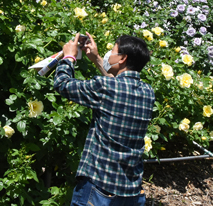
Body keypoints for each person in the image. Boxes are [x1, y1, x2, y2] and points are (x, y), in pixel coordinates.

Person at [53, 32, 155, 206]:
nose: (109, 54)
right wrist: (97, 59)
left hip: (99, 190)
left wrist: (69, 56)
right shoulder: (148, 92)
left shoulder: (105, 87)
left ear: (122, 58)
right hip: (131, 192)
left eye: (112, 50)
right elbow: (117, 86)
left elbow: (63, 84)